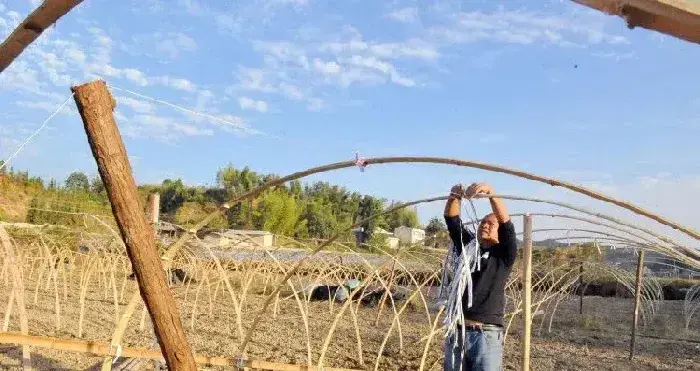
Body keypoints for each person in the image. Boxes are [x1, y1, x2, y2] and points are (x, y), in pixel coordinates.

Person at [443, 182, 517, 371]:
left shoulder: (504, 255)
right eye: (482, 222)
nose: (484, 225)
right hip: (458, 331)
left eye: (490, 223)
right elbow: (452, 221)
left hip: (486, 334)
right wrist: (454, 197)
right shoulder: (468, 248)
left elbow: (507, 224)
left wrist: (492, 193)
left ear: (499, 231)